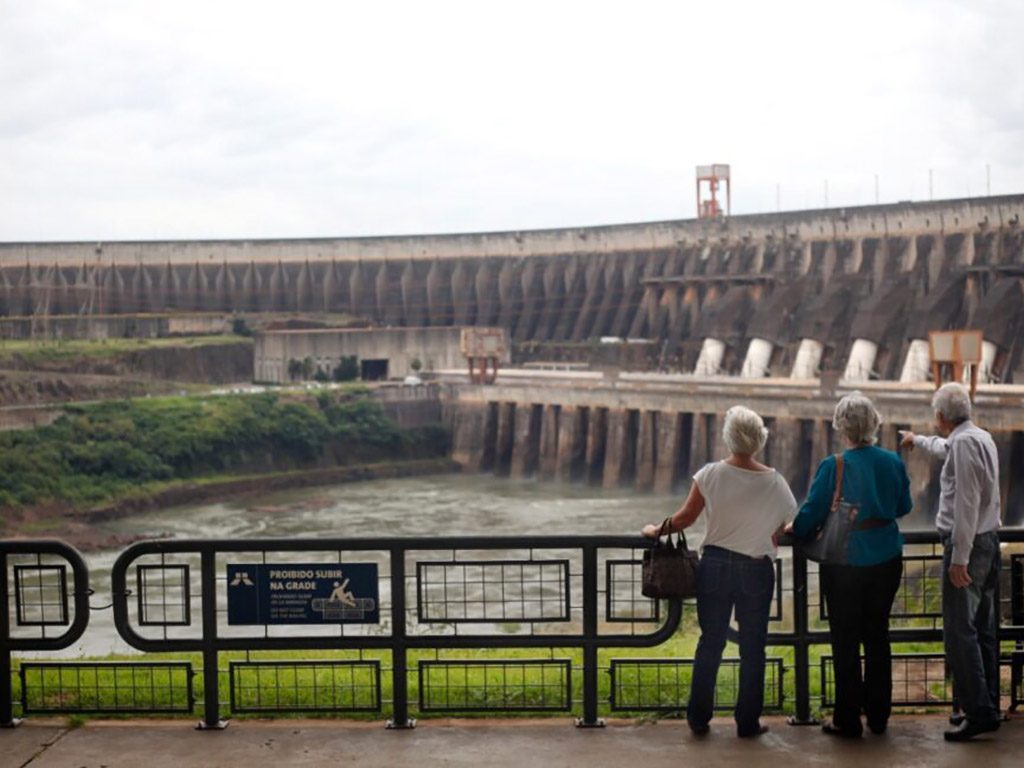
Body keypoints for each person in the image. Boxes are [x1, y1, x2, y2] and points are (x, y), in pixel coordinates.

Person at [642, 405, 796, 738]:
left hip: (715, 566)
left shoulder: (710, 473)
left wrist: (657, 529)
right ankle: (747, 721)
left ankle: (698, 718)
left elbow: (685, 518)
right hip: (757, 569)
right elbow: (787, 525)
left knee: (710, 642)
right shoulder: (775, 481)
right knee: (753, 647)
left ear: (729, 437)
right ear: (759, 439)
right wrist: (769, 531)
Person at [791, 391, 912, 738]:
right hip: (887, 557)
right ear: (874, 423)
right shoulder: (892, 461)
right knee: (877, 635)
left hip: (845, 561)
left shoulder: (835, 465)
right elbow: (903, 506)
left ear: (841, 426)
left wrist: (793, 530)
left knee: (844, 639)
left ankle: (848, 718)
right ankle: (879, 715)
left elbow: (811, 512)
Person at [899, 382, 1001, 741]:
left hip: (970, 547)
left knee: (960, 632)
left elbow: (966, 503)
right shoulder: (978, 437)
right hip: (988, 543)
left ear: (941, 416)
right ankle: (988, 704)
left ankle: (979, 712)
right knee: (983, 630)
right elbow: (945, 448)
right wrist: (919, 440)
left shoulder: (963, 443)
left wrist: (959, 558)